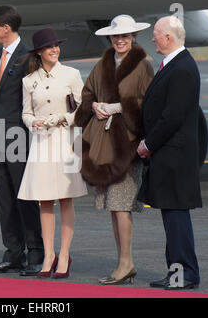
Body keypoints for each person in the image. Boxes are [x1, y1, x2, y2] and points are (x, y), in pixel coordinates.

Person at [75, 15, 154, 285]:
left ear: (133, 37)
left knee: (121, 205)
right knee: (113, 205)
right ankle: (123, 261)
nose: (120, 40)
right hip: (104, 145)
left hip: (127, 144)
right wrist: (95, 104)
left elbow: (149, 102)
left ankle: (126, 262)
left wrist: (120, 107)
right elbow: (86, 94)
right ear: (110, 38)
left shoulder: (144, 66)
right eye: (116, 36)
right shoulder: (102, 64)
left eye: (125, 36)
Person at [137, 16, 201, 290]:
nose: (153, 39)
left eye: (156, 34)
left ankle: (184, 273)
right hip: (169, 157)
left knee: (176, 219)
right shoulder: (174, 65)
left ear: (168, 38)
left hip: (174, 157)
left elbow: (172, 116)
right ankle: (177, 272)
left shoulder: (182, 68)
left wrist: (148, 144)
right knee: (172, 218)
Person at [17, 28, 88, 279]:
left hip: (65, 141)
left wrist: (63, 118)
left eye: (56, 45)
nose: (54, 49)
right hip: (40, 143)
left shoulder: (71, 74)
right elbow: (25, 112)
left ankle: (65, 254)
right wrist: (31, 122)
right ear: (39, 52)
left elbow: (83, 109)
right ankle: (49, 254)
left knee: (65, 198)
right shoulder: (29, 80)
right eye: (49, 47)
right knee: (44, 200)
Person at [0, 5, 44, 276]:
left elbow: (33, 99)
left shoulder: (28, 56)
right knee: (5, 197)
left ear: (6, 28)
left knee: (24, 196)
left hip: (19, 134)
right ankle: (13, 252)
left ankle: (35, 252)